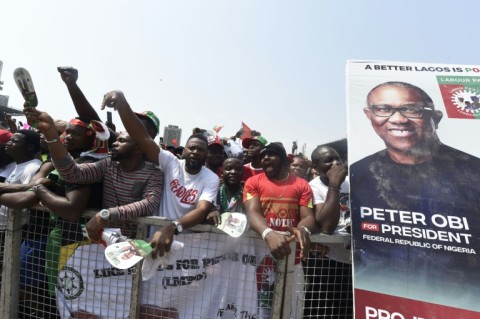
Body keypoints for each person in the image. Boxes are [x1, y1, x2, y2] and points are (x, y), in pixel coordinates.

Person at [350, 81, 480, 308]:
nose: (398, 119)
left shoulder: (473, 171)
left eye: (412, 109)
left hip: (459, 303)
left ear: (435, 117)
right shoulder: (359, 173)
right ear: (369, 115)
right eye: (383, 109)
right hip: (382, 301)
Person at [100, 90, 219, 318]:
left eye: (201, 150)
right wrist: (123, 102)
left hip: (185, 248)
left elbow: (202, 210)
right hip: (153, 243)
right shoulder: (171, 162)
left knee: (176, 305)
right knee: (143, 301)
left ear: (206, 156)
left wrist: (173, 227)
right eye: (191, 147)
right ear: (184, 149)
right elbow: (142, 137)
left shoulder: (210, 178)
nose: (195, 152)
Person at [243, 142, 317, 317]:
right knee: (261, 310)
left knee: (291, 310)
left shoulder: (302, 185)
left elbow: (308, 216)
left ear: (284, 160)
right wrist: (269, 234)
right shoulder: (253, 182)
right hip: (261, 257)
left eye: (271, 154)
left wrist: (303, 229)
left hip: (294, 258)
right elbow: (252, 213)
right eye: (262, 156)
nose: (265, 158)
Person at [305, 145, 352, 319]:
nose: (335, 163)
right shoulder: (313, 187)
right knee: (322, 310)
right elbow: (326, 227)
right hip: (328, 260)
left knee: (347, 310)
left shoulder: (352, 180)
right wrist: (334, 185)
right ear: (315, 168)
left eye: (337, 159)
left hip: (352, 260)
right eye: (328, 161)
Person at [206, 157, 245, 225]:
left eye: (238, 169)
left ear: (243, 174)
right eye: (228, 169)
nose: (233, 172)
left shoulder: (248, 195)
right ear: (221, 173)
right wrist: (210, 213)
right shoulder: (212, 192)